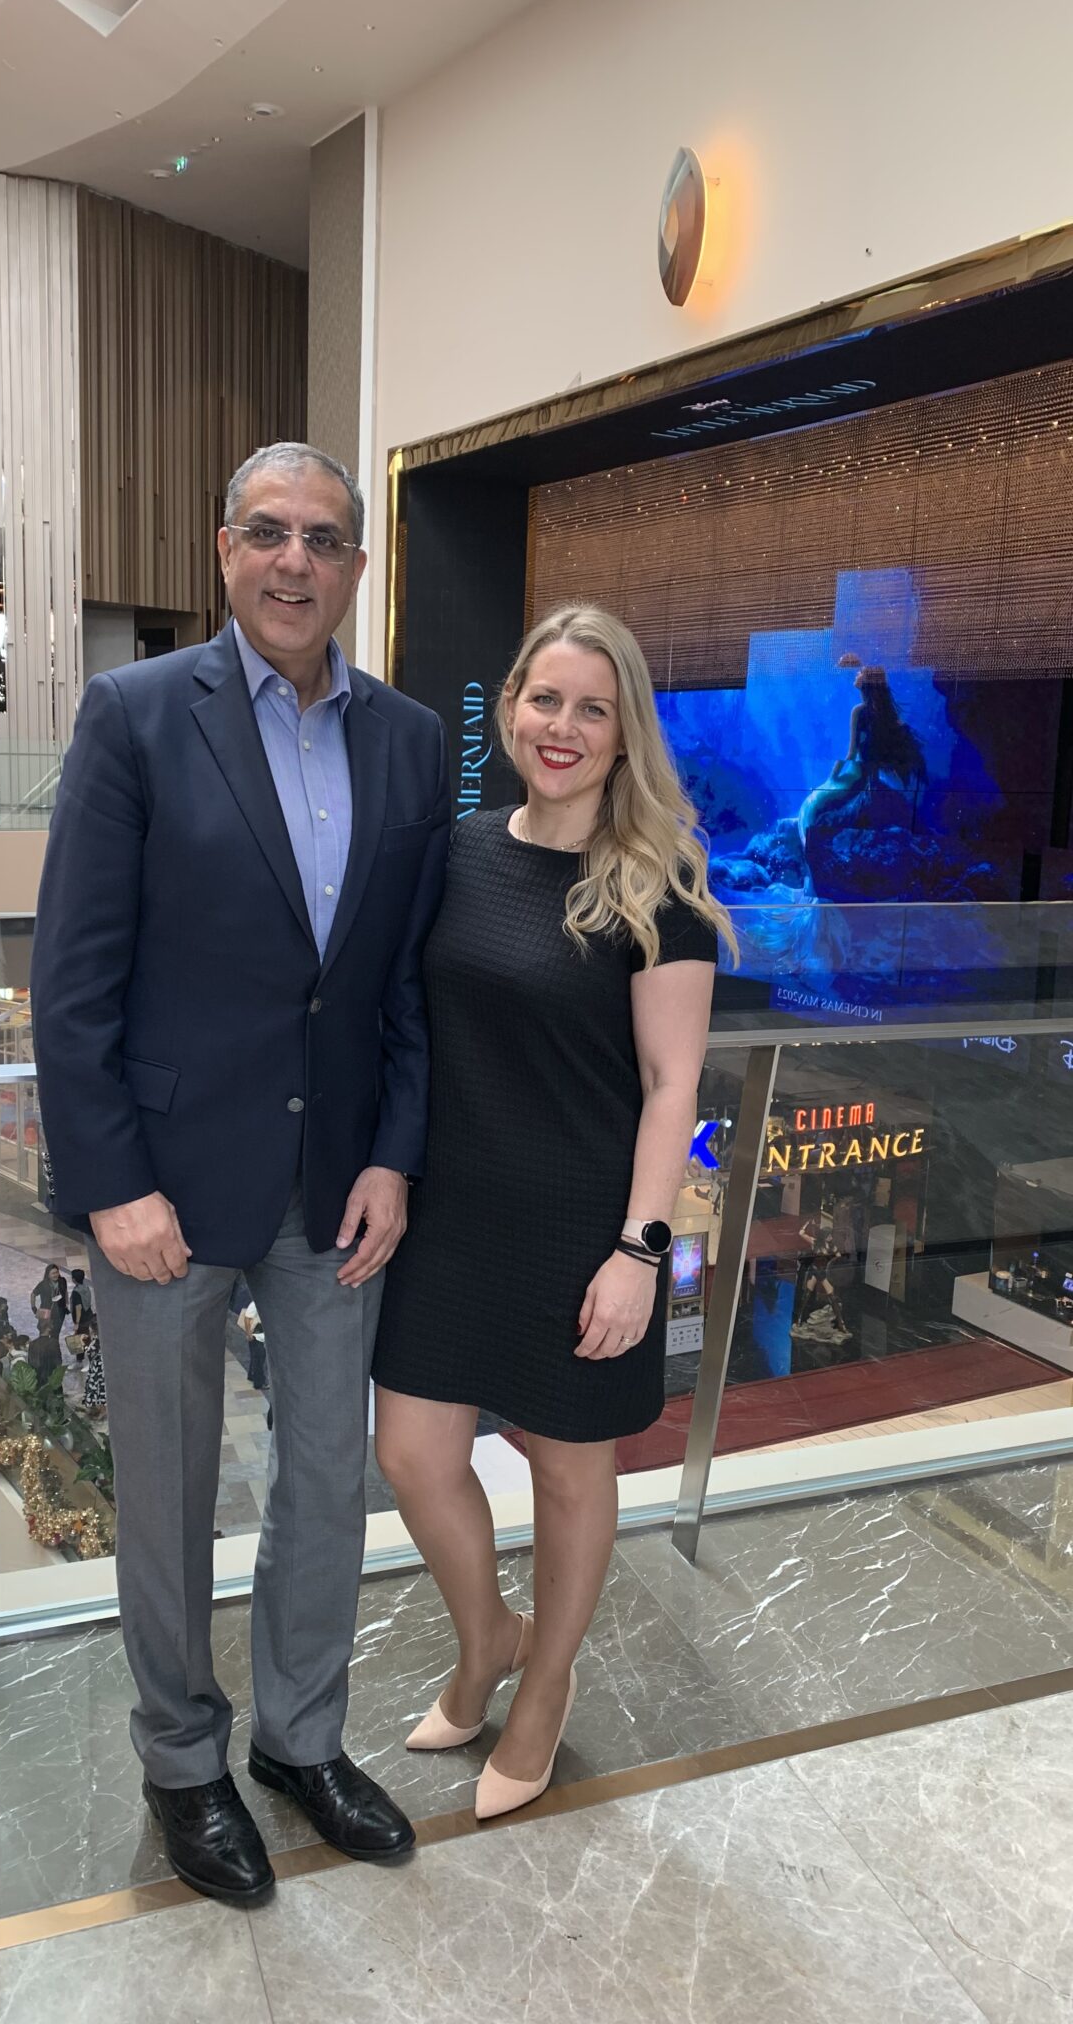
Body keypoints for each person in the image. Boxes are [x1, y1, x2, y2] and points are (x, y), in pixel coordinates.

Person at [31, 441, 449, 1908]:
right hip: (164, 1186)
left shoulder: (409, 740)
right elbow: (73, 977)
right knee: (166, 1493)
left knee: (327, 1479)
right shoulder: (137, 714)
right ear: (224, 551)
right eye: (268, 532)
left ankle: (301, 1741)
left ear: (356, 566)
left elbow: (402, 984)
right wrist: (112, 1181)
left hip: (336, 1186)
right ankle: (182, 1760)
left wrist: (395, 1154)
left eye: (324, 538)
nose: (294, 560)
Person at [374, 603, 731, 1820]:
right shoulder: (460, 849)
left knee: (571, 1472)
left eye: (594, 708)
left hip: (587, 1224)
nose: (563, 727)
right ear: (510, 706)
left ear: (625, 733)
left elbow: (673, 1083)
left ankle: (545, 1682)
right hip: (453, 1216)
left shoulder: (659, 884)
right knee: (413, 1454)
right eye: (546, 699)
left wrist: (640, 1249)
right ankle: (488, 1633)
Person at [797, 658, 927, 860]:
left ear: (867, 681)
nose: (857, 674)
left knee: (809, 808)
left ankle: (810, 853)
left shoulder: (859, 711)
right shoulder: (889, 718)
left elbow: (850, 754)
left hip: (856, 776)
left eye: (861, 672)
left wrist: (832, 778)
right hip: (868, 778)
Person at [30, 1263, 67, 1339]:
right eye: (53, 1273)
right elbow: (33, 1294)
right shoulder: (43, 1284)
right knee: (44, 1333)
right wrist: (34, 1308)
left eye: (57, 1272)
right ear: (48, 1275)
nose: (55, 1275)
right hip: (45, 1312)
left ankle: (54, 1344)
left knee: (56, 1333)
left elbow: (65, 1292)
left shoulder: (62, 1281)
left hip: (59, 1312)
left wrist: (66, 1303)